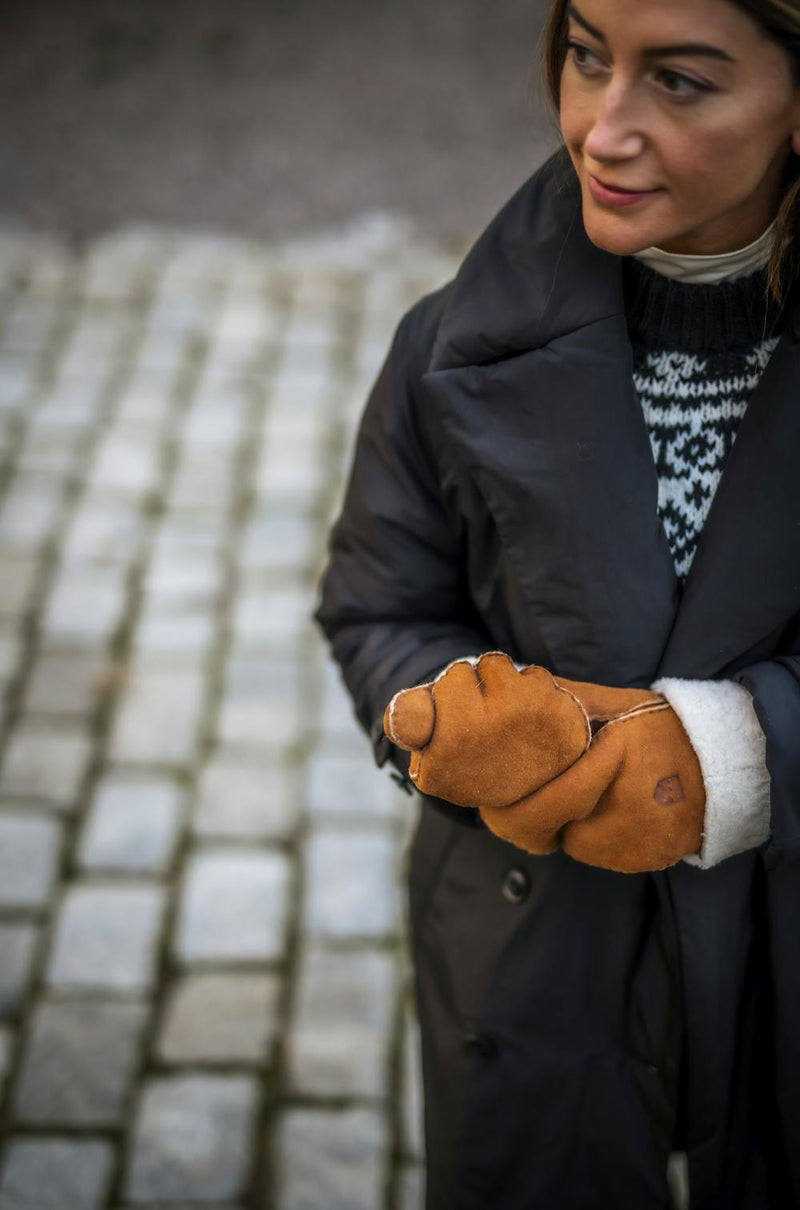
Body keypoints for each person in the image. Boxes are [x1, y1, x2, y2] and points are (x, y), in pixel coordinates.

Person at [315, 0, 800, 1205]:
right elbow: (380, 604)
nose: (600, 128)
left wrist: (732, 757)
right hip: (528, 956)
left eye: (678, 83)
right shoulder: (448, 346)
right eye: (586, 57)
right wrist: (452, 719)